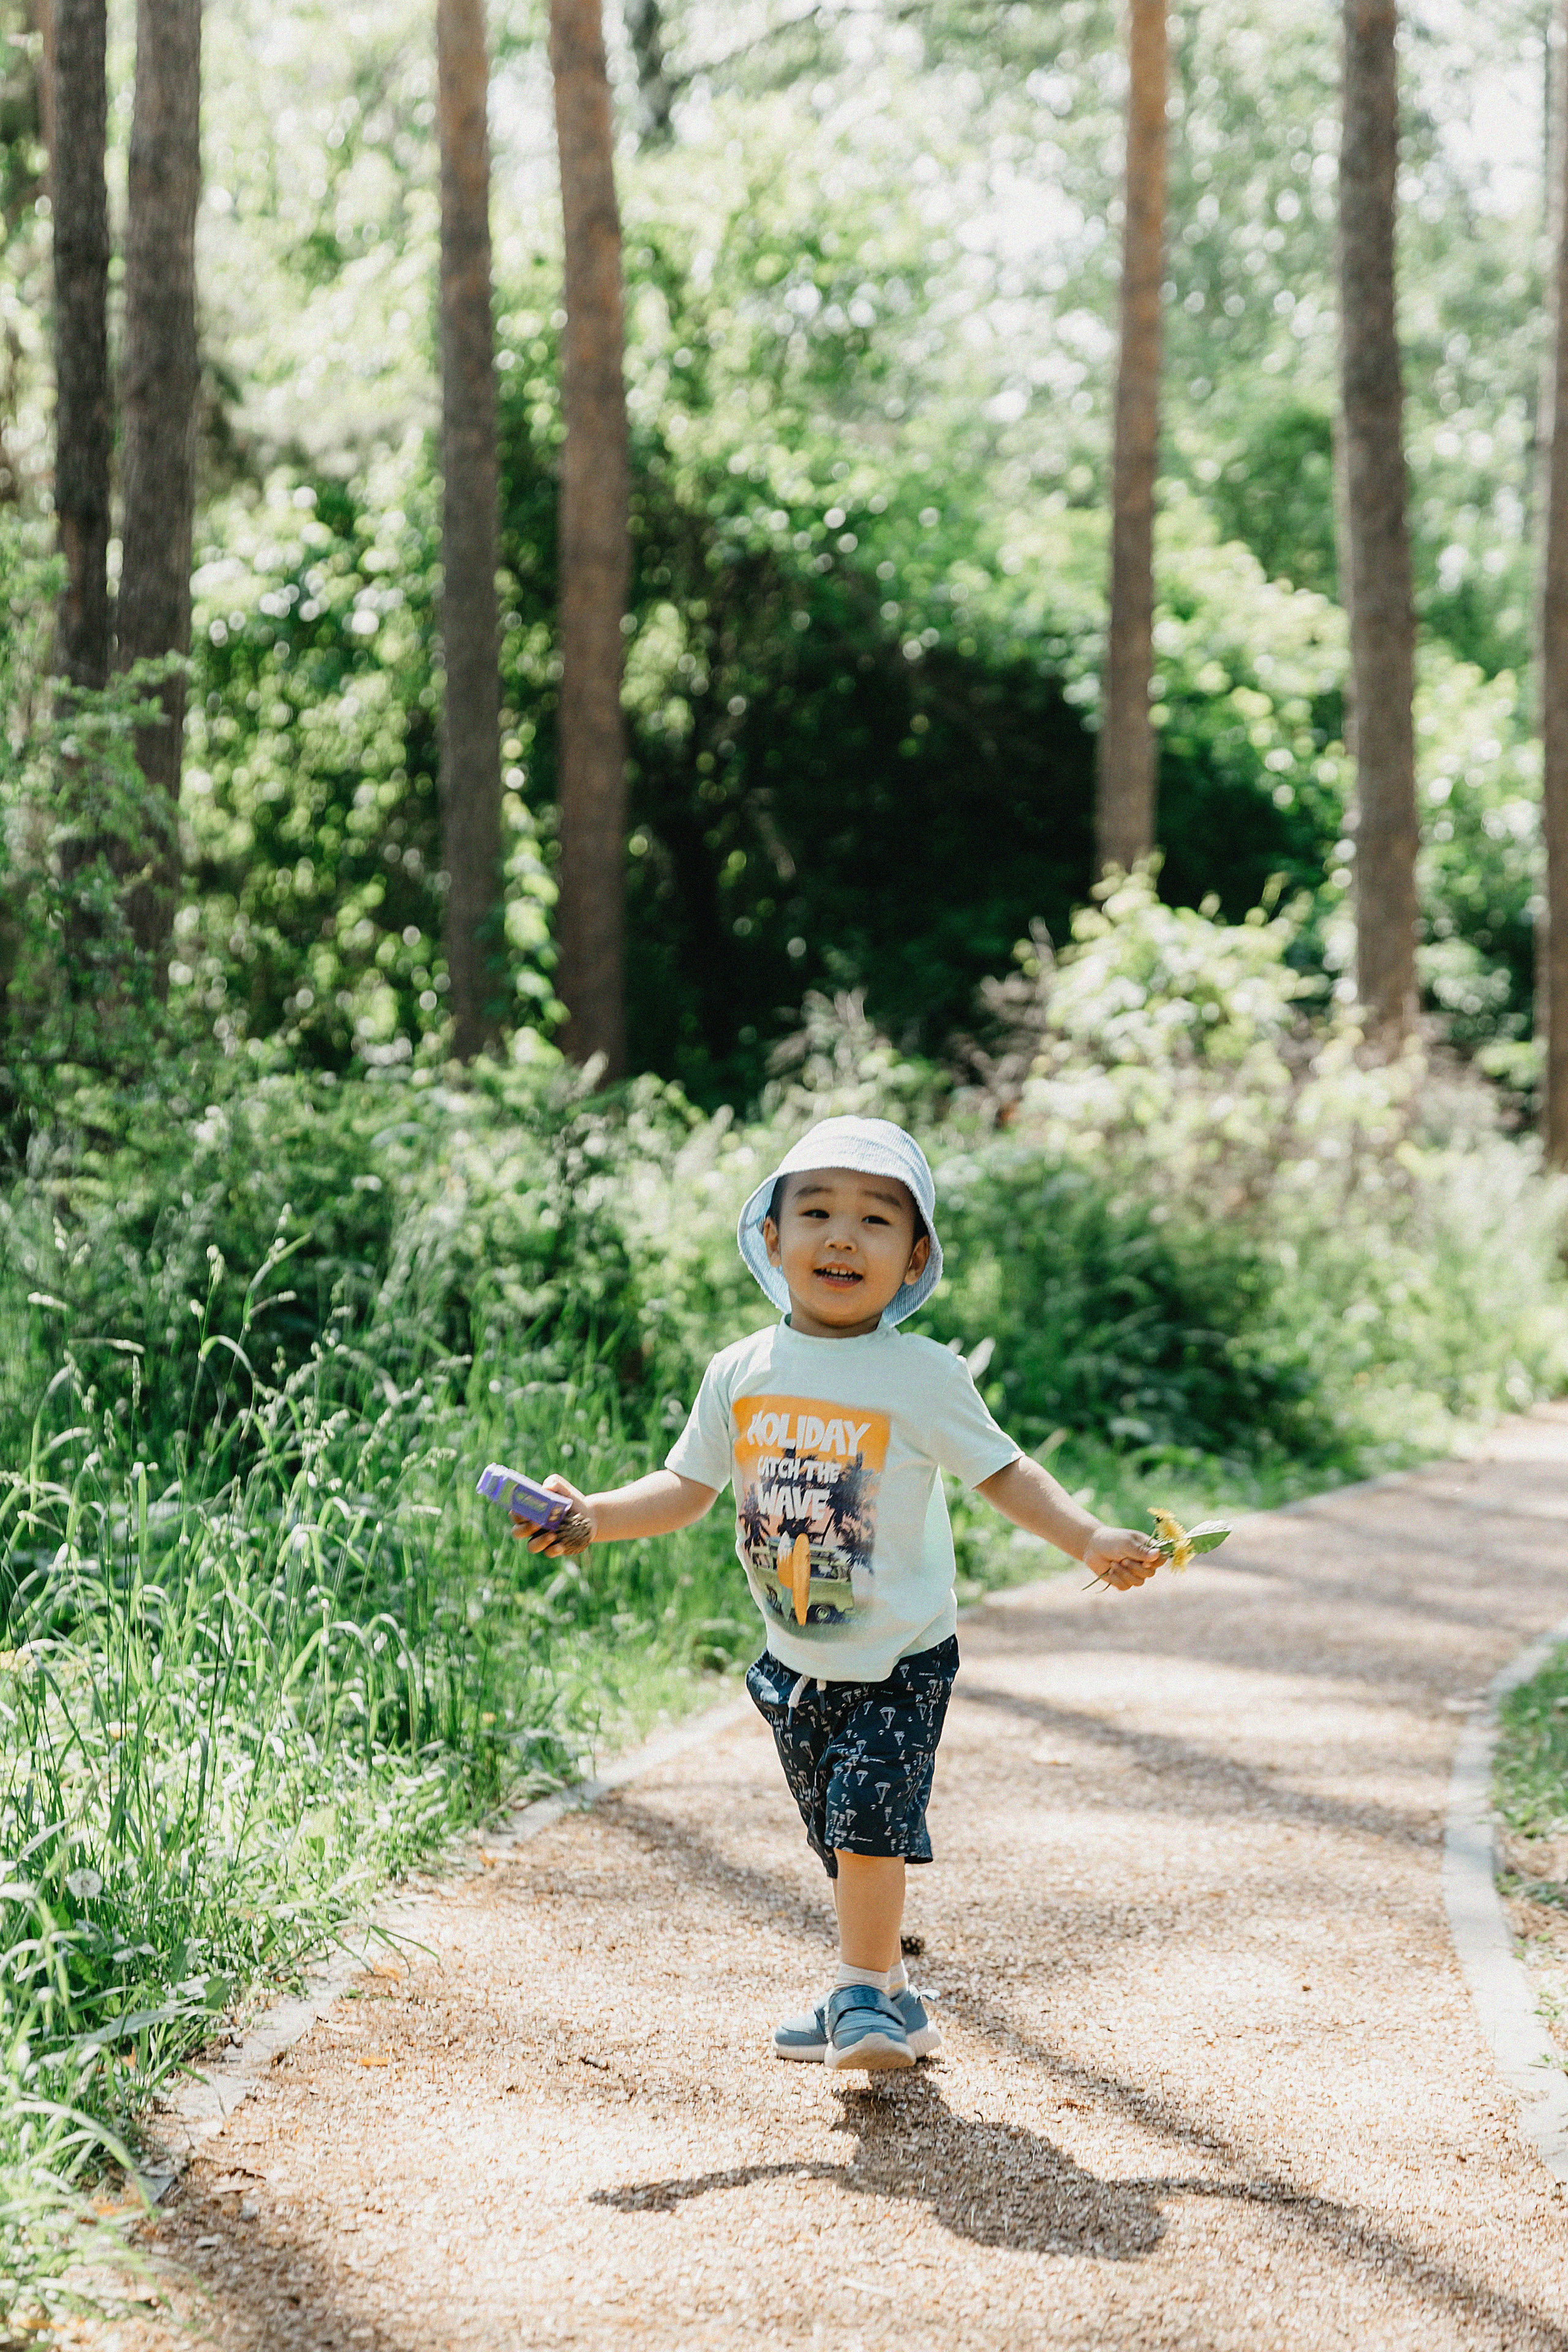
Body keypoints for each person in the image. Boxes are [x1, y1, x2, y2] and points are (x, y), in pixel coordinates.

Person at [518, 1116, 1160, 2073]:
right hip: (795, 1666)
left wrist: (1090, 1537)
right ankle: (893, 1998)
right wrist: (590, 1517)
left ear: (914, 1259)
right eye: (814, 1212)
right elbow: (688, 1490)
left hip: (902, 1655)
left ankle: (858, 1988)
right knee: (842, 1836)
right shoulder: (739, 1372)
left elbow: (1005, 1472)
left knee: (866, 1818)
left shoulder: (922, 1375)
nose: (842, 1237)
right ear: (772, 1240)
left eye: (875, 1219)